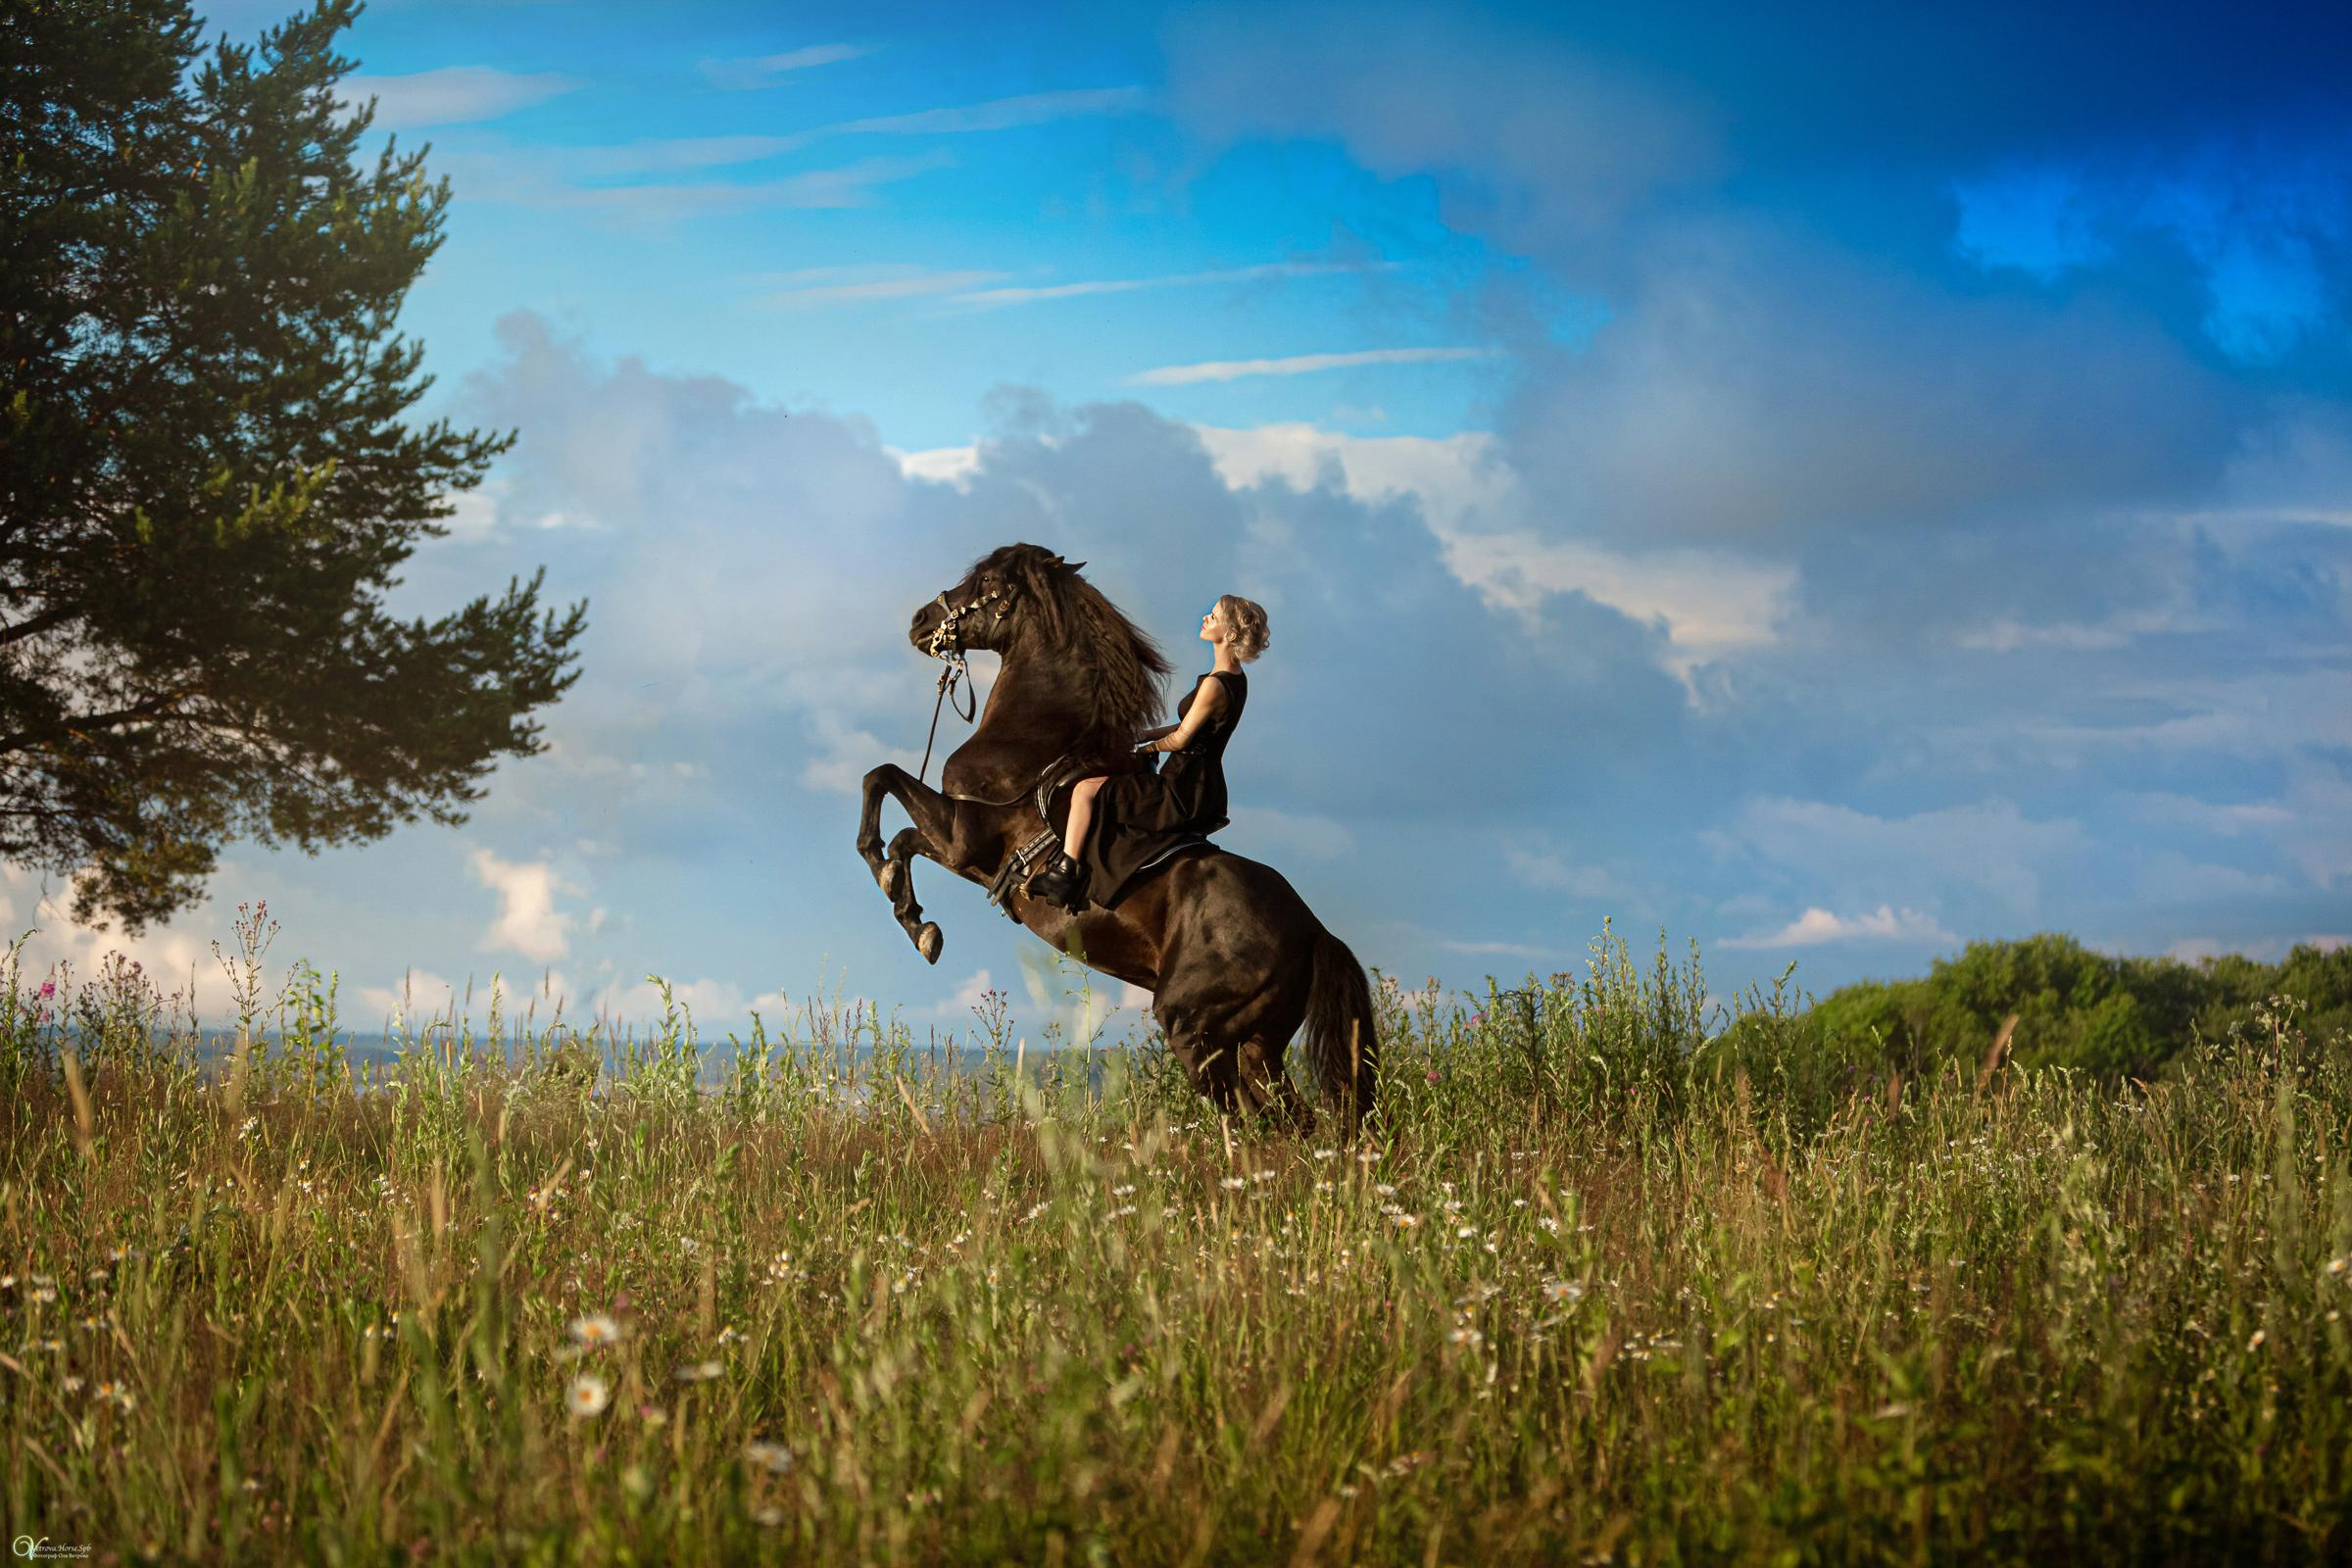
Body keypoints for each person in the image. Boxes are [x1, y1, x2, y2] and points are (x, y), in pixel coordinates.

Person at [1027, 594, 1268, 911]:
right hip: (1203, 783)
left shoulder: (1214, 686)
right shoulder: (1236, 681)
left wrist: (1148, 748)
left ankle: (1066, 874)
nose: (1206, 618)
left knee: (1085, 791)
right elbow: (1188, 728)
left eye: (1214, 616)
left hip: (1182, 786)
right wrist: (1143, 734)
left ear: (1230, 634)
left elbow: (1182, 739)